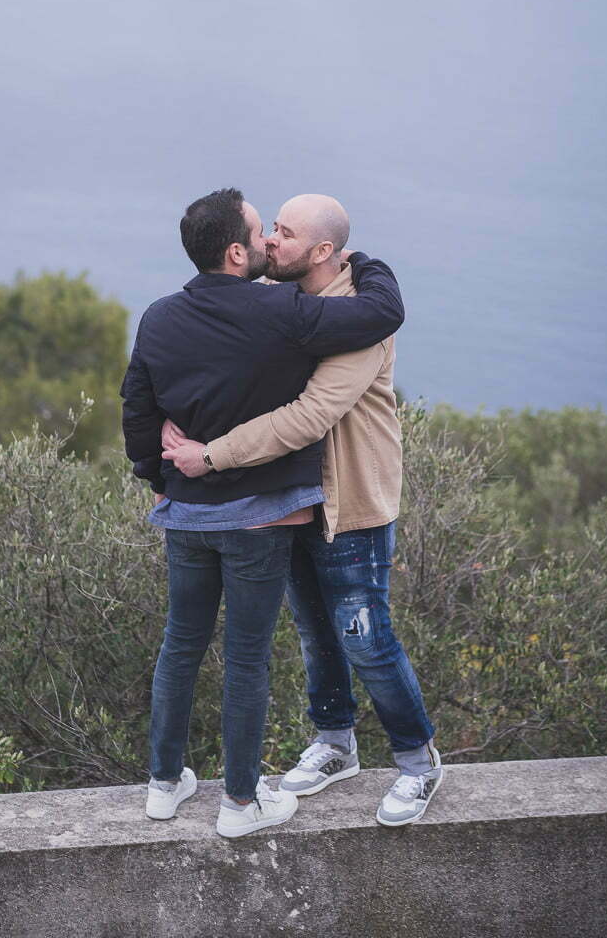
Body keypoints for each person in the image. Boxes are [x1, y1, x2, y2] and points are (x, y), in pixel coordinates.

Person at [120, 188, 404, 838]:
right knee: (247, 658)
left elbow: (136, 405)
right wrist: (371, 264)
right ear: (237, 250)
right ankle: (240, 804)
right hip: (261, 520)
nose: (272, 241)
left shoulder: (160, 316)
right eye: (262, 230)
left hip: (186, 515)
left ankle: (164, 785)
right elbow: (378, 316)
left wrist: (155, 478)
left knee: (181, 645)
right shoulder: (287, 310)